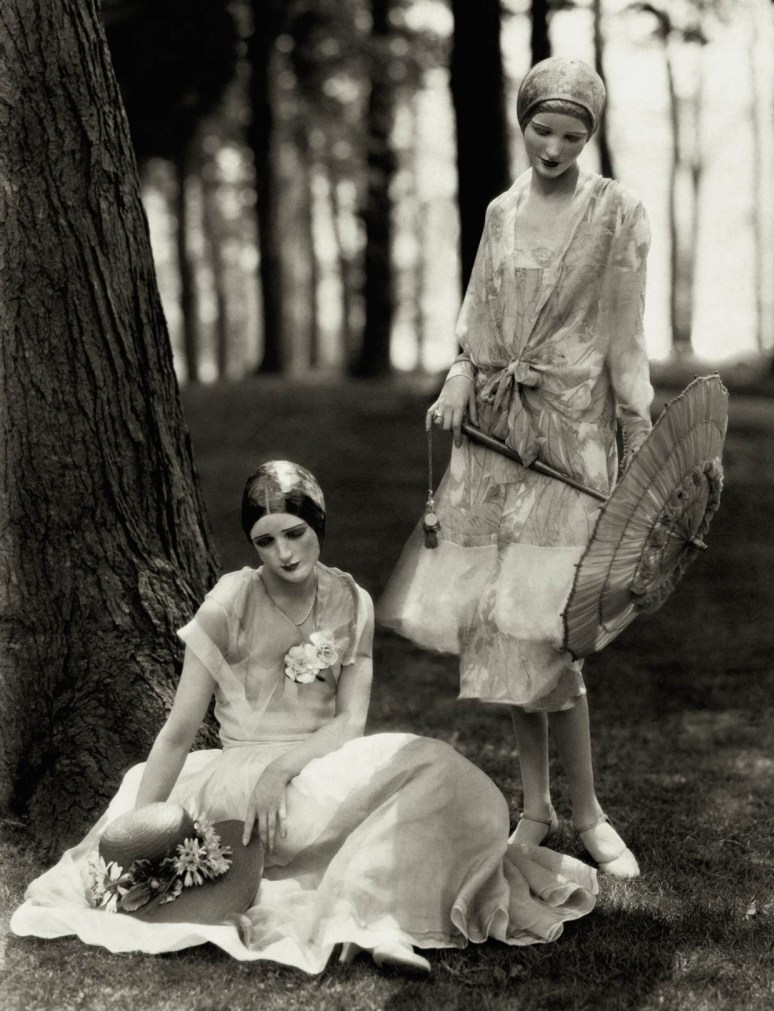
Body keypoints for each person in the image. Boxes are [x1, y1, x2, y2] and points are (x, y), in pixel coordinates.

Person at [12, 460, 598, 976]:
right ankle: (367, 922)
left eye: (294, 533)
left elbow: (350, 722)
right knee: (348, 815)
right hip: (241, 775)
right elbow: (179, 731)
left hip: (319, 759)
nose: (284, 553)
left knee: (449, 775)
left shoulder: (353, 599)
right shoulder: (228, 602)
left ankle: (370, 918)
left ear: (317, 525)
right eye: (265, 541)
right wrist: (141, 840)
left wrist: (285, 769)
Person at [378, 58, 653, 879]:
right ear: (522, 120)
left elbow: (625, 335)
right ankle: (536, 805)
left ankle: (591, 811)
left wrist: (636, 438)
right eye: (543, 129)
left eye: (573, 135)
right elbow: (477, 322)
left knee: (551, 630)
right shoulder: (500, 212)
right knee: (503, 629)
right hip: (496, 441)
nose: (556, 148)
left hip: (571, 442)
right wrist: (457, 379)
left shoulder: (619, 212)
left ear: (591, 137)